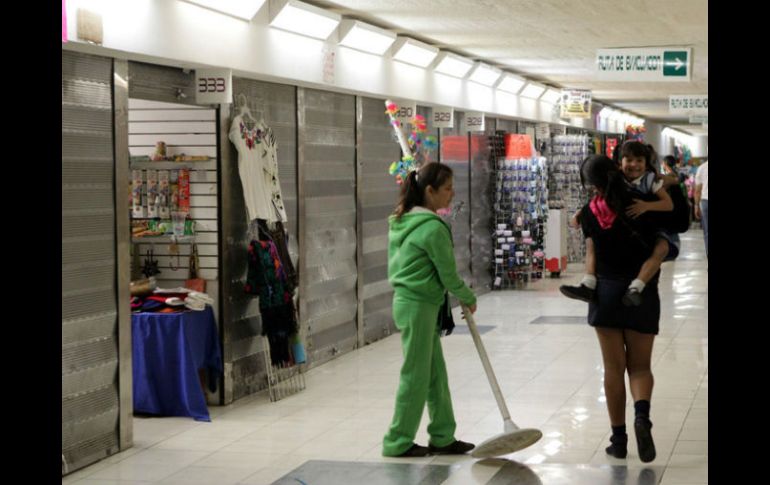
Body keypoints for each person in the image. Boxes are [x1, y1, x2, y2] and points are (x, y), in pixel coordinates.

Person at [382, 162, 478, 458]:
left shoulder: (403, 220)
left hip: (415, 304)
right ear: (430, 191)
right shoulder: (432, 228)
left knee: (435, 374)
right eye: (447, 189)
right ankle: (397, 441)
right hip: (418, 306)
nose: (452, 194)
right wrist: (468, 296)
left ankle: (443, 435)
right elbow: (448, 275)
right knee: (415, 375)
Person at [573, 154, 662, 463]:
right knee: (640, 367)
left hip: (606, 293)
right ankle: (642, 417)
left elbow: (591, 253)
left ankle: (619, 440)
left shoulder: (589, 212)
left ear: (590, 184)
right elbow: (663, 244)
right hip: (641, 294)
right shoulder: (643, 202)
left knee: (613, 369)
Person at [561, 142, 674, 306]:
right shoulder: (616, 177)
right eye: (629, 160)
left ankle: (637, 286)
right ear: (619, 163)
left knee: (662, 248)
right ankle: (588, 283)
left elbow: (668, 204)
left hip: (652, 228)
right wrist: (583, 212)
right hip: (619, 270)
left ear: (646, 163)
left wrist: (646, 206)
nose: (634, 165)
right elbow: (600, 197)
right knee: (590, 243)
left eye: (639, 160)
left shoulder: (651, 180)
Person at [694, 159, 708, 258]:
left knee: (707, 232)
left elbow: (697, 190)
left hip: (705, 202)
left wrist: (696, 206)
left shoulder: (702, 168)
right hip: (704, 202)